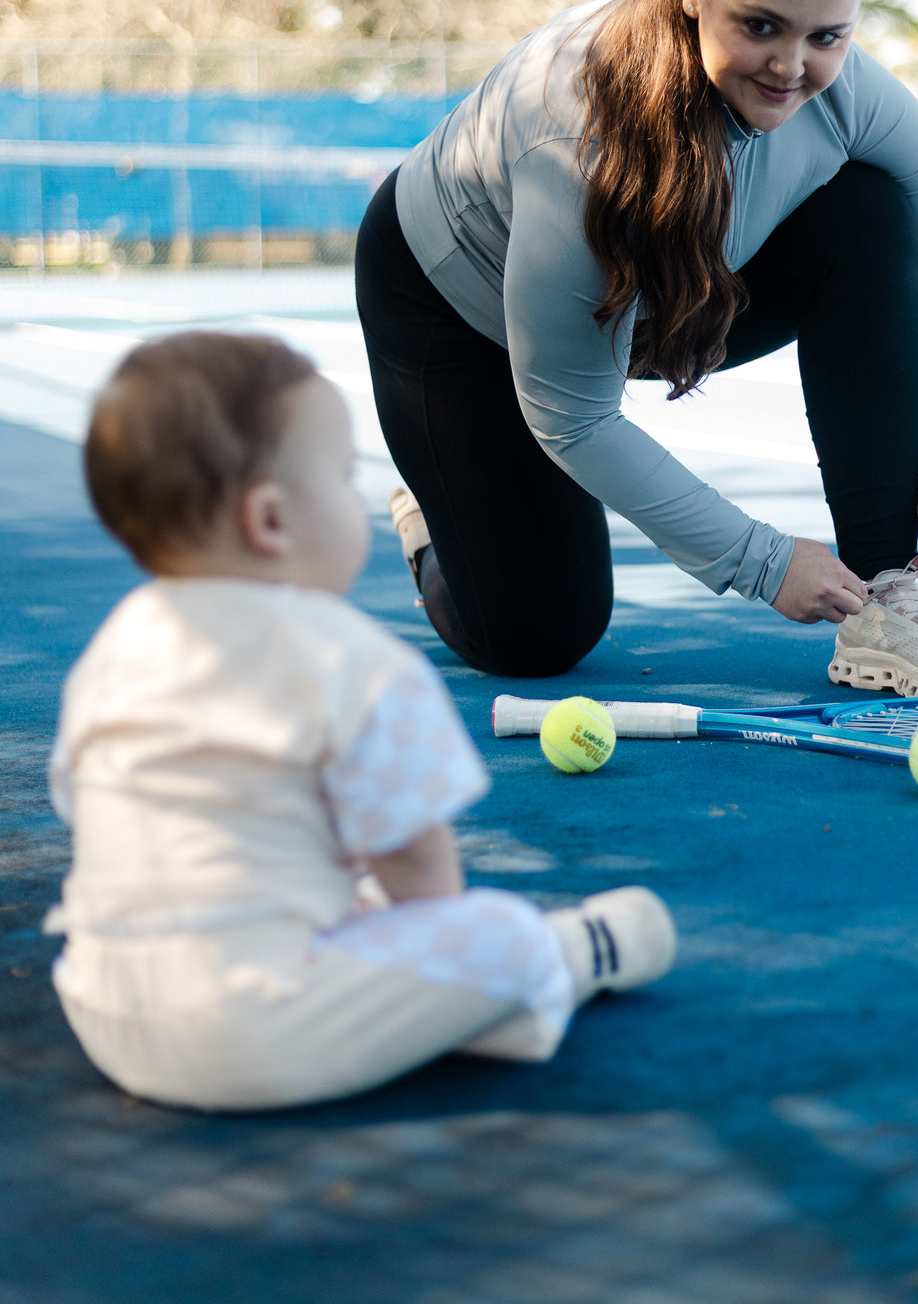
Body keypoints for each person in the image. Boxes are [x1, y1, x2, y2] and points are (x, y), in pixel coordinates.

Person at [356, 0, 918, 699]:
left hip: (666, 293)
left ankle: (887, 600)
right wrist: (762, 561)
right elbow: (573, 416)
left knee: (873, 211)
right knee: (536, 635)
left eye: (827, 37)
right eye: (761, 25)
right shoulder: (574, 136)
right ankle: (434, 505)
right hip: (459, 318)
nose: (790, 68)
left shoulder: (857, 99)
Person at [45, 331, 676, 1113]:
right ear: (271, 521)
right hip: (247, 1032)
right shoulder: (348, 660)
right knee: (492, 935)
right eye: (342, 481)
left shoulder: (115, 647)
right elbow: (418, 869)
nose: (356, 503)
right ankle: (582, 954)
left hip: (102, 1005)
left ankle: (433, 1011)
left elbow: (89, 804)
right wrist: (440, 953)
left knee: (350, 908)